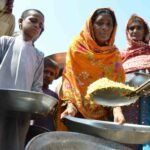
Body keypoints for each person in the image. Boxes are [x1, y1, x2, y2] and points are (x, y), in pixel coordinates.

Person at [56, 8, 126, 131]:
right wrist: (71, 106)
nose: (105, 28)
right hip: (75, 112)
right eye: (99, 23)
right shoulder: (77, 47)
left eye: (109, 24)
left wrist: (117, 110)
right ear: (91, 25)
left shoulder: (114, 54)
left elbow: (116, 86)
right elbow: (69, 79)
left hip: (103, 117)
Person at [0, 9, 44, 150]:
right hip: (0, 103)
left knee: (14, 143)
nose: (37, 26)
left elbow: (37, 85)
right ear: (20, 22)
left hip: (21, 112)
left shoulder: (38, 55)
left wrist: (36, 106)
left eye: (41, 25)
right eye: (33, 20)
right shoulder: (5, 42)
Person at [121, 15, 150, 150]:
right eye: (131, 28)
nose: (134, 31)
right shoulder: (121, 57)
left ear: (145, 31)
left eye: (139, 28)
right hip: (127, 107)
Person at [33, 57, 59, 131]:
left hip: (47, 130)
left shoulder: (54, 96)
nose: (48, 75)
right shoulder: (32, 90)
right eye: (46, 71)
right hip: (31, 128)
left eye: (52, 74)